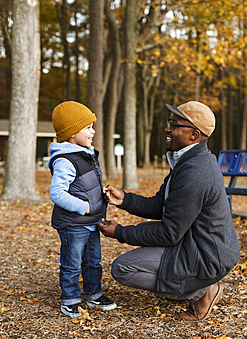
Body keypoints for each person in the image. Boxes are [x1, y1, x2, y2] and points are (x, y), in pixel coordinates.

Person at [98, 101, 240, 322]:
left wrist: (121, 233)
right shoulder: (188, 161)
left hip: (207, 254)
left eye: (174, 124)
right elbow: (161, 205)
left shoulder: (196, 173)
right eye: (170, 123)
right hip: (196, 243)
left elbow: (168, 233)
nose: (167, 129)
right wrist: (125, 199)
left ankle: (202, 292)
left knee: (122, 268)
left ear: (193, 135)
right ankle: (196, 285)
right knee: (140, 253)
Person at [48, 101, 116, 318]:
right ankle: (70, 300)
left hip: (91, 222)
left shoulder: (85, 153)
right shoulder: (65, 160)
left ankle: (94, 295)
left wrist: (100, 195)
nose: (93, 131)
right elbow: (57, 193)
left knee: (93, 262)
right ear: (71, 132)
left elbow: (83, 186)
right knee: (72, 264)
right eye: (87, 127)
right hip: (73, 224)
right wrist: (84, 206)